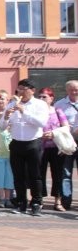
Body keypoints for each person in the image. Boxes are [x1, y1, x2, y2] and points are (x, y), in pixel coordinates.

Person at [0, 79, 49, 216]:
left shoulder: (40, 104)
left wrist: (24, 111)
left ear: (32, 90)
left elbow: (41, 122)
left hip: (33, 143)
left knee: (35, 175)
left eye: (23, 89)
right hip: (16, 143)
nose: (20, 92)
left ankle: (36, 203)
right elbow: (3, 126)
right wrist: (6, 116)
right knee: (18, 175)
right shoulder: (12, 104)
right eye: (19, 89)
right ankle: (21, 202)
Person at [37, 87, 69, 211]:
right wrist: (40, 135)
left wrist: (53, 133)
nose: (41, 99)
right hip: (40, 147)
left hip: (56, 146)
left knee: (58, 174)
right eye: (39, 97)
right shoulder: (36, 111)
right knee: (39, 174)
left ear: (51, 98)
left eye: (44, 97)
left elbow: (66, 127)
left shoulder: (57, 111)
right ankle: (39, 200)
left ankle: (58, 201)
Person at [54, 80, 78, 210]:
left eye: (76, 89)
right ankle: (66, 200)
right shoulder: (59, 104)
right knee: (66, 172)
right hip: (67, 141)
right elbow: (55, 123)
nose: (74, 92)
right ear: (67, 90)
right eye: (71, 89)